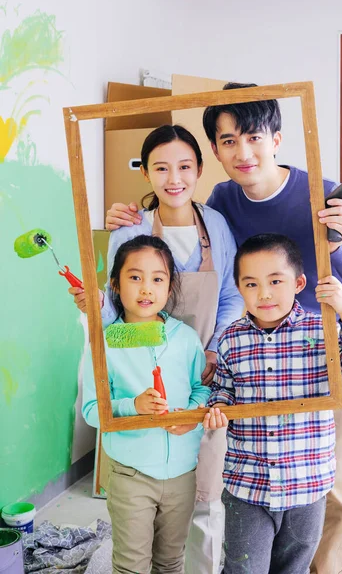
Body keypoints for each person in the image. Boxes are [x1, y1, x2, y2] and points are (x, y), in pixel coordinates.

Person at [104, 83, 342, 574]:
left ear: (276, 137)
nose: (243, 152)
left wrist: (340, 243)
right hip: (260, 352)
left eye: (253, 136)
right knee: (256, 477)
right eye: (228, 140)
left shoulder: (322, 191)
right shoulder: (223, 201)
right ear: (215, 149)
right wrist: (130, 214)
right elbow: (185, 235)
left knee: (335, 487)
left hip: (333, 348)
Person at [72, 124, 244, 574]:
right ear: (145, 172)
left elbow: (229, 296)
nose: (174, 178)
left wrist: (210, 353)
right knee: (140, 513)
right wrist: (101, 326)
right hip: (138, 370)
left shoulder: (218, 225)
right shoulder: (130, 228)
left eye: (185, 167)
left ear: (200, 170)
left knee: (201, 494)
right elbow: (113, 311)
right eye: (161, 167)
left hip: (200, 371)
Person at [203, 233, 342, 574]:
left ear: (299, 282)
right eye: (251, 284)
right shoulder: (230, 338)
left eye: (275, 281)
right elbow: (224, 390)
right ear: (239, 287)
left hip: (307, 485)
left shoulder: (323, 330)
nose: (264, 293)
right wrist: (218, 408)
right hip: (247, 483)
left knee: (293, 569)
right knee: (243, 569)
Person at [82, 234, 211, 573]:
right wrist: (132, 406)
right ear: (115, 284)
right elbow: (92, 410)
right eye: (134, 277)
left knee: (170, 562)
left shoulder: (185, 338)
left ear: (170, 288)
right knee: (131, 565)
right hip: (131, 473)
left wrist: (191, 416)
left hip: (182, 473)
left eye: (157, 279)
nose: (146, 289)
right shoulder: (106, 342)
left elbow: (202, 390)